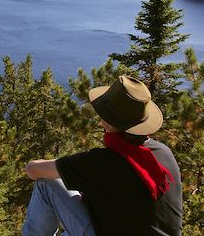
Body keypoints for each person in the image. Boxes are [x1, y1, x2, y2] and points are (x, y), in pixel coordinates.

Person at [21, 75, 182, 236]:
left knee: (45, 184)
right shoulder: (164, 153)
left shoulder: (103, 162)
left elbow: (32, 170)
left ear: (108, 122)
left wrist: (69, 171)